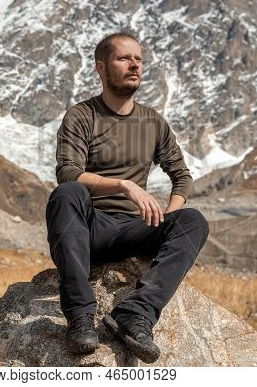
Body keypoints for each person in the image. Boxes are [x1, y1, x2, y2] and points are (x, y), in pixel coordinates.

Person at [46, 31, 209, 364]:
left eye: (139, 59)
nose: (135, 65)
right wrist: (124, 185)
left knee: (193, 220)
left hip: (136, 229)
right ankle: (79, 317)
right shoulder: (81, 116)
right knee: (67, 193)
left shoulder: (153, 121)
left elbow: (182, 178)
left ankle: (135, 314)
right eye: (124, 58)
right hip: (89, 227)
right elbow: (69, 173)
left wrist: (165, 216)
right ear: (101, 68)